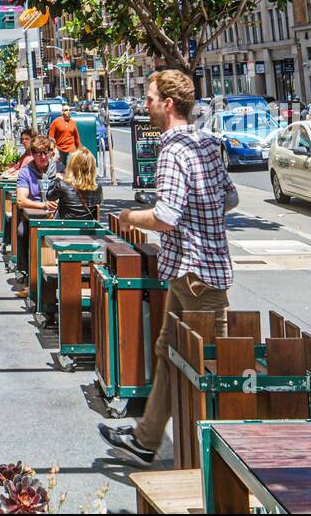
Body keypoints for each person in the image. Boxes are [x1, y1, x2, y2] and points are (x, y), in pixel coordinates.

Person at [99, 69, 238, 465]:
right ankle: (146, 439)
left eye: (150, 97)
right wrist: (205, 216)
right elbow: (231, 198)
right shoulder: (208, 143)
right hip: (192, 270)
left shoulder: (173, 151)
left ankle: (230, 459)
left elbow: (166, 216)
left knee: (214, 364)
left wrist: (129, 216)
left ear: (168, 104)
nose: (145, 104)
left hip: (195, 274)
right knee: (167, 350)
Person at [14, 137, 57, 281]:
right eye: (39, 153)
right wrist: (43, 205)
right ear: (32, 154)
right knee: (21, 231)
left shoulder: (59, 169)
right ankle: (26, 271)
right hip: (33, 217)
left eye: (46, 152)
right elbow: (21, 200)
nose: (43, 156)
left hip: (56, 216)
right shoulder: (26, 172)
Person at [48, 147, 102, 218]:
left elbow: (49, 197)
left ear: (72, 165)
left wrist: (57, 180)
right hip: (89, 227)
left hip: (67, 227)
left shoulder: (63, 185)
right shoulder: (97, 186)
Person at [49, 103, 82, 173]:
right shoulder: (56, 122)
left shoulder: (73, 123)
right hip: (59, 149)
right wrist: (53, 150)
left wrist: (79, 150)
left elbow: (77, 138)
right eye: (66, 110)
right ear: (62, 112)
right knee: (59, 170)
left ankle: (70, 182)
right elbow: (51, 137)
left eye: (70, 110)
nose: (68, 111)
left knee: (70, 169)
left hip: (70, 149)